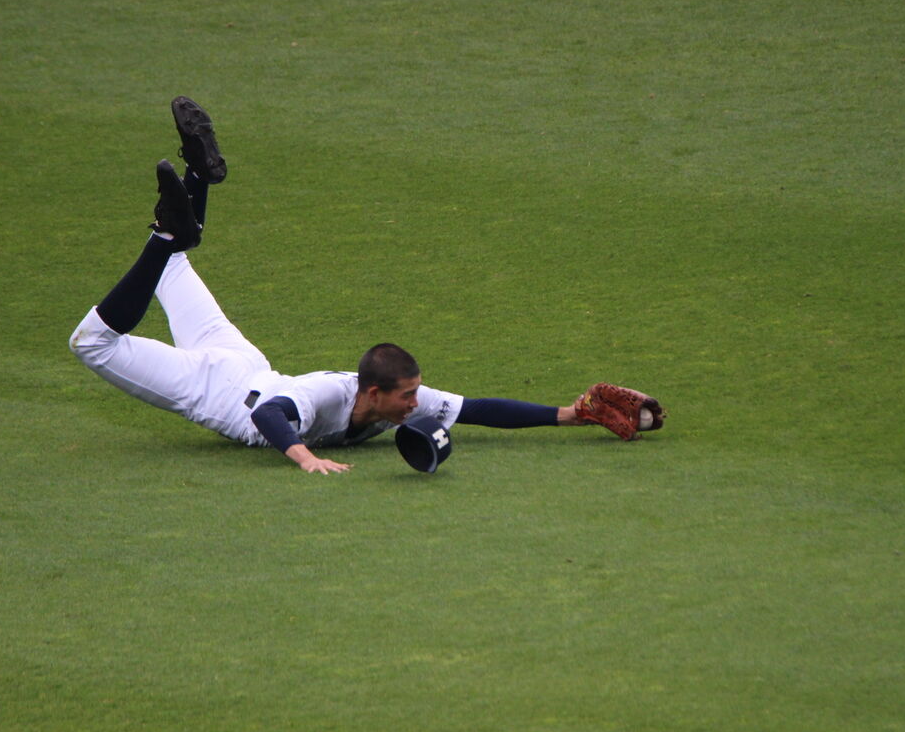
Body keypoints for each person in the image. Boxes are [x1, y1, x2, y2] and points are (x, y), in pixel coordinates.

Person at [69, 97, 645, 474]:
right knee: (92, 342)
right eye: (407, 397)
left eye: (415, 394)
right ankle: (169, 230)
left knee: (172, 264)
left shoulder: (390, 401)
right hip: (212, 390)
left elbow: (476, 409)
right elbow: (271, 413)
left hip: (242, 360)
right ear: (374, 393)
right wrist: (303, 457)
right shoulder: (329, 394)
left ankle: (198, 177)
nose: (418, 403)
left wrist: (571, 413)